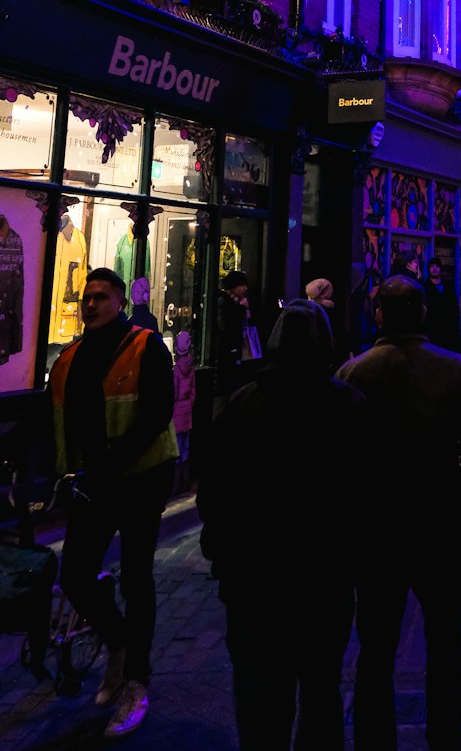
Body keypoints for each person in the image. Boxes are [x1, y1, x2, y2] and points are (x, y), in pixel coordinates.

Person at [198, 299, 366, 750]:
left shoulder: (241, 406)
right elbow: (365, 494)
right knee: (320, 694)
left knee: (260, 701)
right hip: (323, 583)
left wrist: (222, 555)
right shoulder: (347, 406)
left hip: (255, 584)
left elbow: (213, 493)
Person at [337, 276, 461, 751]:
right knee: (445, 645)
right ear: (423, 312)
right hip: (439, 530)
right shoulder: (455, 370)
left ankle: (373, 740)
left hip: (377, 535)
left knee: (376, 648)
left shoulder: (353, 374)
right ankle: (446, 738)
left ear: (378, 313)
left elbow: (339, 459)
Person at [49, 266, 177, 738]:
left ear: (120, 301)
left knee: (139, 577)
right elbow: (52, 414)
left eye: (102, 296)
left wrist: (111, 463)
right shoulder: (71, 357)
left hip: (141, 481)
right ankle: (119, 645)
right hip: (93, 484)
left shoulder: (146, 347)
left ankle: (136, 684)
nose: (92, 304)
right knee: (75, 575)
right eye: (87, 297)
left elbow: (155, 415)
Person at [215, 269, 255, 402]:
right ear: (234, 286)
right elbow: (226, 325)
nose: (245, 288)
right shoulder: (225, 301)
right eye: (242, 285)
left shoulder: (231, 301)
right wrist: (242, 309)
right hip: (226, 349)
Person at [171, 329, 196, 494]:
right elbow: (193, 393)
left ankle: (175, 487)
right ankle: (185, 483)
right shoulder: (191, 367)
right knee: (186, 451)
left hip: (177, 415)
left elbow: (174, 393)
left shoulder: (176, 370)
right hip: (187, 414)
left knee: (177, 453)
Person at [423, 257, 461, 350]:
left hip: (448, 330)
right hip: (432, 330)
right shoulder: (425, 287)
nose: (435, 269)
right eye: (432, 266)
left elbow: (454, 307)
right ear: (428, 269)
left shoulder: (448, 286)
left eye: (437, 266)